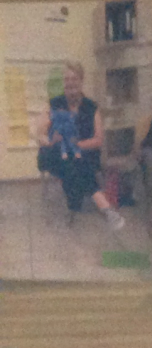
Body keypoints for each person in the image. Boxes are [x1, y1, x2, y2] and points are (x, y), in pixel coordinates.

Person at [38, 63, 122, 228]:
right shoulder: (54, 103)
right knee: (71, 159)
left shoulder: (91, 107)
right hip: (56, 153)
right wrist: (50, 140)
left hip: (82, 154)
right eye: (67, 79)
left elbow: (98, 140)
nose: (70, 82)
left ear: (81, 81)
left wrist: (75, 145)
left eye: (74, 78)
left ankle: (73, 206)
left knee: (74, 161)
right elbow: (40, 133)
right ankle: (103, 205)